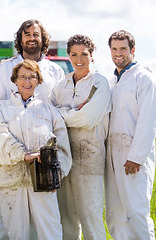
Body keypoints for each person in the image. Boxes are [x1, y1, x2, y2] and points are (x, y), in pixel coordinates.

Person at [0, 59, 72, 240]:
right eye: (23, 77)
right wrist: (22, 155)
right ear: (15, 80)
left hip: (44, 182)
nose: (27, 81)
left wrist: (56, 175)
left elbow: (63, 146)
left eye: (32, 77)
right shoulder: (2, 108)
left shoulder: (49, 110)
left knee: (50, 233)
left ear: (38, 80)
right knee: (16, 234)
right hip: (12, 181)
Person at [50, 34, 111, 240]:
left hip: (90, 156)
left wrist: (62, 113)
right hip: (64, 155)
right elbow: (50, 116)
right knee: (66, 215)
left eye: (84, 54)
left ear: (92, 55)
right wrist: (73, 112)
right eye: (74, 54)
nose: (79, 59)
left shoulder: (99, 83)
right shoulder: (61, 85)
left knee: (90, 214)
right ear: (68, 55)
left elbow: (88, 119)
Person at [105, 30, 156, 239]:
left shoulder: (145, 78)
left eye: (123, 48)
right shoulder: (112, 81)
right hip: (113, 157)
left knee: (137, 212)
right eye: (114, 49)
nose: (118, 53)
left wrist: (136, 157)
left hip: (133, 157)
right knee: (115, 212)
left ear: (132, 50)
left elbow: (149, 122)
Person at [0, 19, 65, 107]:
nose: (32, 38)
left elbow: (62, 105)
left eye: (36, 35)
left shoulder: (56, 71)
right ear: (20, 41)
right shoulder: (5, 69)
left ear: (42, 39)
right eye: (27, 35)